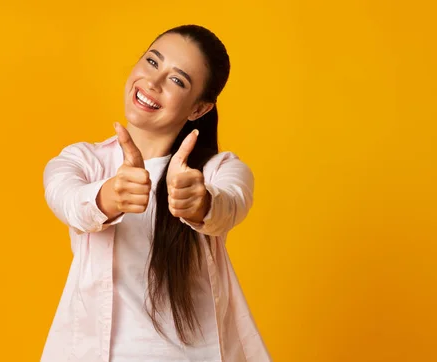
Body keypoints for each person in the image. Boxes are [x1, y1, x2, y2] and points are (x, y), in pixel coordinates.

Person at [41, 24, 271, 362]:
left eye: (177, 80)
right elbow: (67, 199)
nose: (153, 82)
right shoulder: (82, 161)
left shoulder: (216, 170)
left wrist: (200, 203)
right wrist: (108, 198)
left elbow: (231, 203)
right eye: (152, 62)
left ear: (199, 109)